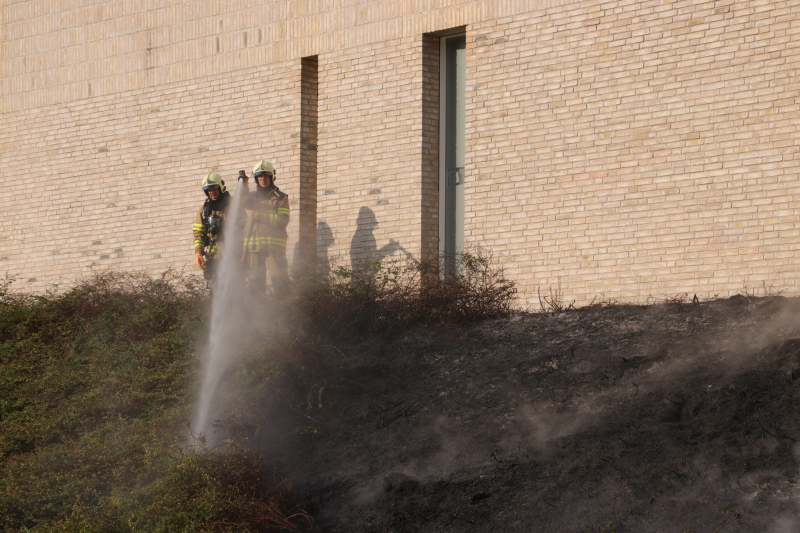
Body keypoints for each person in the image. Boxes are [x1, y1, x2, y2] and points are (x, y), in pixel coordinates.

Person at [240, 160, 291, 298]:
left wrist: (259, 215)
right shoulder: (252, 197)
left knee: (280, 282)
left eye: (266, 175)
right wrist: (243, 186)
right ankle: (259, 315)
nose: (263, 178)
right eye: (260, 176)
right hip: (254, 248)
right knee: (255, 284)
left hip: (274, 248)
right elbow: (239, 202)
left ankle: (285, 315)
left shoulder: (280, 198)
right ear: (256, 179)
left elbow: (283, 220)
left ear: (271, 177)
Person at [192, 172, 237, 289]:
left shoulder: (234, 206)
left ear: (220, 187)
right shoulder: (205, 209)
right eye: (208, 190)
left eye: (214, 189)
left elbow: (244, 229)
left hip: (231, 256)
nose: (211, 192)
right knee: (214, 290)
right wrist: (198, 252)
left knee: (233, 289)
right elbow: (198, 233)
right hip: (213, 257)